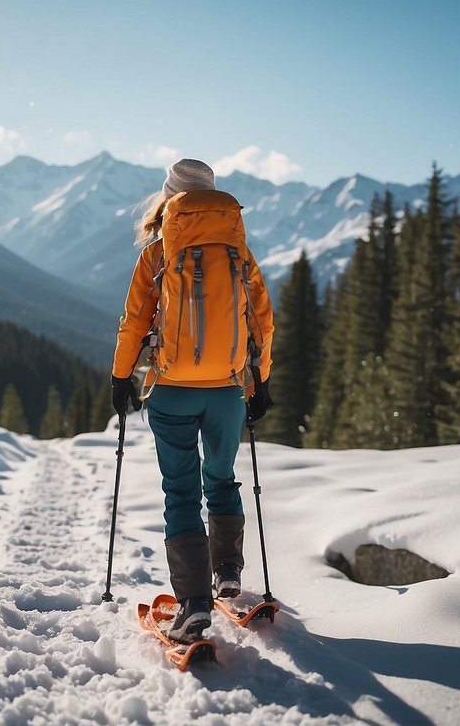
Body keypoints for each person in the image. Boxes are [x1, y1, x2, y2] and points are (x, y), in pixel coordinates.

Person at [111, 158, 274, 644]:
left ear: (170, 201)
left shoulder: (158, 254)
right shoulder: (239, 255)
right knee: (222, 480)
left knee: (181, 493)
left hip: (172, 392)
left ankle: (194, 606)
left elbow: (134, 322)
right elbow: (262, 324)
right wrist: (259, 382)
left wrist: (121, 377)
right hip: (226, 391)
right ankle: (227, 573)